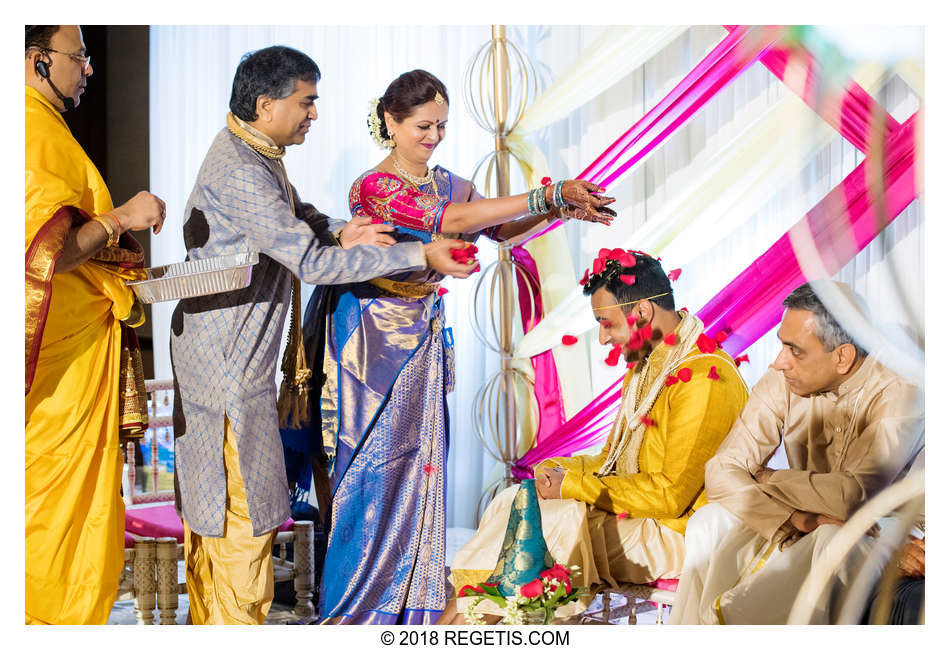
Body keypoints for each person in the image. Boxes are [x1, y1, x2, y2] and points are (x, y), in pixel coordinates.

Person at [170, 48, 476, 625]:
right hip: (229, 363)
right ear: (266, 104)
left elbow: (296, 217)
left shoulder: (255, 152)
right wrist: (420, 251)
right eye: (305, 102)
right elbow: (309, 261)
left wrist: (343, 229)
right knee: (239, 516)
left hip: (243, 358)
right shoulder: (240, 169)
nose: (314, 114)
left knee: (243, 511)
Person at [307, 69, 616, 625]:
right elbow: (455, 222)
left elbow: (500, 231)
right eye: (423, 125)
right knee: (373, 469)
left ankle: (413, 605)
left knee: (422, 467)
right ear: (390, 122)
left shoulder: (450, 181)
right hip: (371, 337)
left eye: (442, 126)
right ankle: (355, 610)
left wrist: (559, 209)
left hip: (422, 332)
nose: (434, 136)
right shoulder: (374, 187)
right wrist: (549, 190)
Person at [438, 250, 750, 623]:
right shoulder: (649, 362)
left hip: (674, 533)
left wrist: (571, 486)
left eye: (606, 324)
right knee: (515, 502)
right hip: (636, 517)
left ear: (643, 313)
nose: (603, 339)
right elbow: (611, 461)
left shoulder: (702, 379)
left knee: (540, 530)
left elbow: (669, 496)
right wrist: (556, 469)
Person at [669, 281, 924, 625]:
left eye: (795, 350)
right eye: (781, 346)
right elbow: (721, 471)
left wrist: (764, 476)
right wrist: (795, 520)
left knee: (830, 539)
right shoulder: (785, 379)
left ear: (843, 356)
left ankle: (726, 622)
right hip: (810, 515)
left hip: (889, 527)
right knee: (708, 522)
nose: (778, 362)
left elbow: (853, 496)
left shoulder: (900, 388)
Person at [25, 25, 167, 624]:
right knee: (54, 512)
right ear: (38, 60)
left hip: (77, 352)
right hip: (59, 366)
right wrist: (123, 216)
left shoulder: (46, 127)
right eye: (79, 57)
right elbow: (40, 253)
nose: (88, 69)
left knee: (73, 509)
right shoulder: (30, 131)